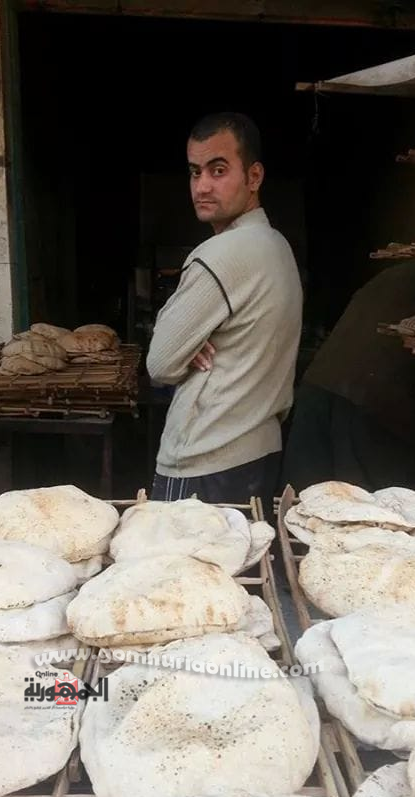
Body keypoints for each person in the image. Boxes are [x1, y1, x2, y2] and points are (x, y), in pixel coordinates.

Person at [146, 112, 303, 511]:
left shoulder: (221, 254)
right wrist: (185, 343)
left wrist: (183, 344)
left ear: (254, 177)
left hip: (204, 461)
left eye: (218, 170)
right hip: (257, 453)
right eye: (195, 172)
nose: (202, 186)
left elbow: (160, 364)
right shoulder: (277, 246)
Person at [282, 259, 415, 493]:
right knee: (366, 502)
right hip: (372, 402)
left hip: (319, 384)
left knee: (305, 494)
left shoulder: (395, 274)